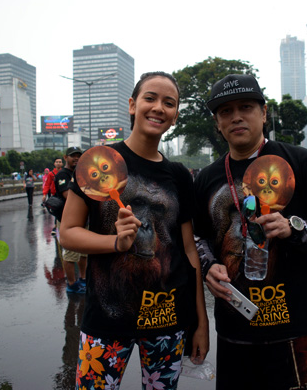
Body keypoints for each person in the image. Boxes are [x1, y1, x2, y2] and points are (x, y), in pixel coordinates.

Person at [193, 74, 307, 389]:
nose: (236, 116)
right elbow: (198, 238)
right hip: (234, 328)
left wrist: (294, 229)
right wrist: (209, 266)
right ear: (217, 123)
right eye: (226, 111)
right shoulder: (207, 178)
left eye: (246, 107)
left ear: (264, 113)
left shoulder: (300, 162)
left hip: (293, 329)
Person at [60, 72, 209, 389]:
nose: (158, 108)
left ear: (175, 116)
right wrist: (115, 242)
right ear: (132, 105)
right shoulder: (100, 163)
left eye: (168, 103)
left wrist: (201, 321)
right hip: (106, 317)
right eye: (150, 98)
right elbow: (68, 232)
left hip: (165, 317)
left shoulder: (179, 176)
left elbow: (189, 250)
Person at [54, 147, 87, 294]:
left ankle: (83, 279)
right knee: (70, 253)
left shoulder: (79, 173)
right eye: (73, 156)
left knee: (84, 252)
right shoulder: (63, 174)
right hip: (68, 220)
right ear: (65, 157)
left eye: (79, 156)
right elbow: (68, 196)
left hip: (83, 218)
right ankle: (72, 284)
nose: (76, 159)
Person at [43, 158, 63, 235]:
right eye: (57, 162)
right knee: (56, 210)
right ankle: (56, 226)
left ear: (62, 163)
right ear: (54, 163)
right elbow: (47, 184)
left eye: (60, 162)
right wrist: (44, 194)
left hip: (63, 193)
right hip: (55, 195)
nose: (58, 163)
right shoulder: (51, 174)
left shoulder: (63, 172)